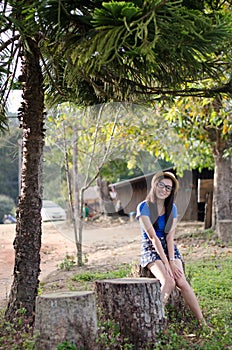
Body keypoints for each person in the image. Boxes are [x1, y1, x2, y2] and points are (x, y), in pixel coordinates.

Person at [136, 171, 206, 326]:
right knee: (168, 282)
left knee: (181, 280)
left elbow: (169, 238)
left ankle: (202, 323)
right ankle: (153, 321)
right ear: (154, 184)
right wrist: (166, 264)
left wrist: (172, 260)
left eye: (168, 188)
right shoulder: (143, 207)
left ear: (171, 192)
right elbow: (153, 238)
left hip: (169, 247)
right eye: (161, 185)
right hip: (151, 247)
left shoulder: (172, 209)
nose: (164, 189)